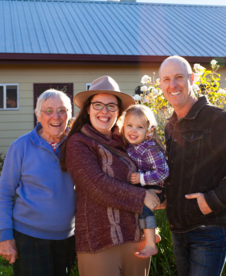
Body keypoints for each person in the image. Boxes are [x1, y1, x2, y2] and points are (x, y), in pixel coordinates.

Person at [158, 56, 226, 276]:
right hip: (178, 229)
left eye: (179, 77)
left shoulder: (216, 119)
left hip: (209, 229)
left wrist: (214, 199)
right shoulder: (170, 125)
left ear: (192, 79)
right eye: (166, 79)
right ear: (161, 84)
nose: (172, 85)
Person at [60, 76, 161, 276]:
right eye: (98, 105)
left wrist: (159, 195)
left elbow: (149, 170)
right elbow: (96, 185)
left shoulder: (128, 142)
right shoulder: (79, 143)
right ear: (88, 109)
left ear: (119, 111)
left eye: (111, 106)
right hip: (99, 242)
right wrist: (142, 197)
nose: (104, 111)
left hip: (136, 239)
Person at [0, 89, 76, 276]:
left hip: (68, 238)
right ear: (38, 116)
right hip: (29, 238)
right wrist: (6, 235)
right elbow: (4, 194)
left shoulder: (78, 146)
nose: (56, 116)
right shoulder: (20, 147)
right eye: (48, 111)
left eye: (62, 110)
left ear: (69, 116)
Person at [122, 104, 169, 259]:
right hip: (145, 185)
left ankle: (151, 244)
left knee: (142, 206)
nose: (133, 131)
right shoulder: (132, 145)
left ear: (149, 131)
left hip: (156, 187)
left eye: (139, 127)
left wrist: (142, 178)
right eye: (129, 125)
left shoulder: (149, 148)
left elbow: (163, 172)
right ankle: (150, 236)